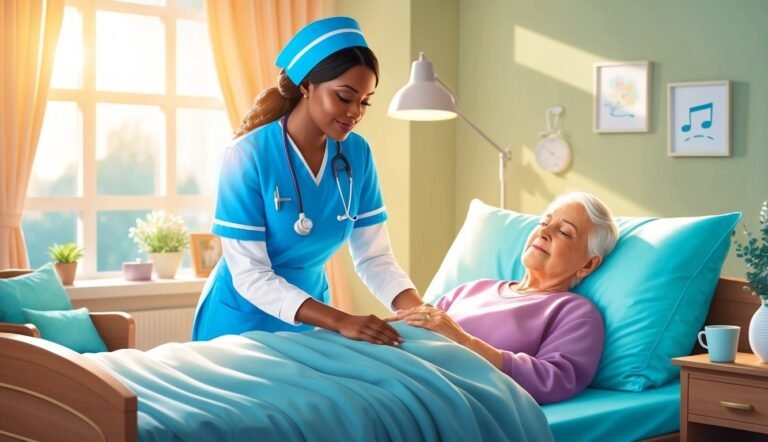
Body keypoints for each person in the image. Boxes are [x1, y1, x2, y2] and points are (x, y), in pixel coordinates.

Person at [192, 17, 423, 344]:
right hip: (241, 321)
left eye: (365, 101)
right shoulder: (246, 155)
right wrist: (342, 321)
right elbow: (251, 275)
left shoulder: (357, 154)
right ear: (306, 86)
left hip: (313, 319)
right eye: (345, 97)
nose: (355, 112)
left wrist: (420, 313)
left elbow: (375, 258)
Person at [395, 192, 619, 404]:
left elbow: (554, 380)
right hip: (395, 367)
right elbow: (410, 328)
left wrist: (464, 341)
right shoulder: (470, 289)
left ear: (588, 264)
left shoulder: (574, 312)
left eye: (564, 232)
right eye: (544, 222)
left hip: (435, 389)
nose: (544, 232)